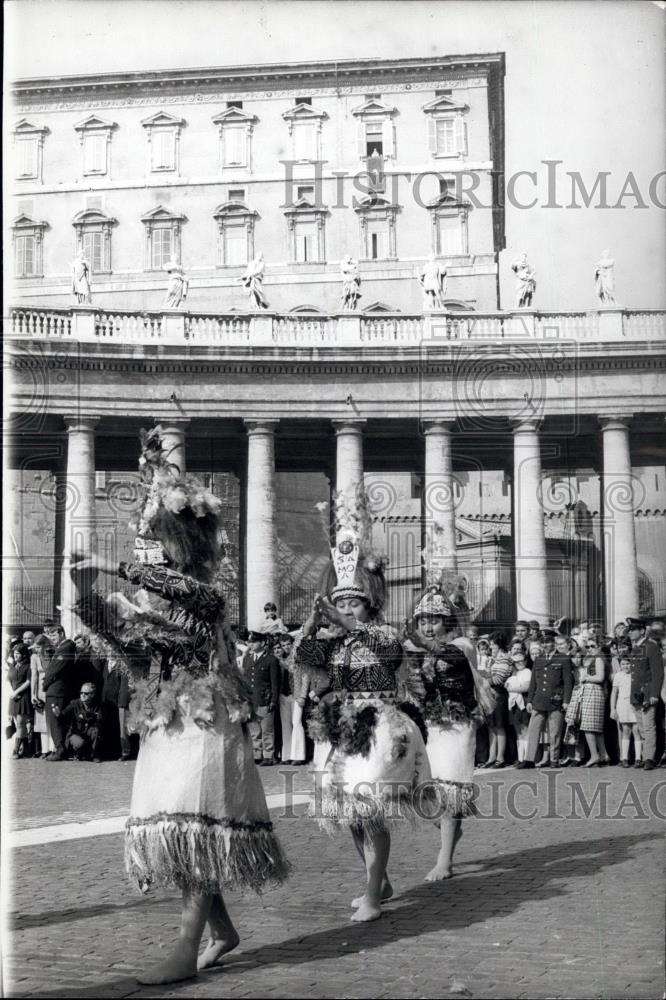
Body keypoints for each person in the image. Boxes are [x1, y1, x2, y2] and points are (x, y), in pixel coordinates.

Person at [69, 425, 289, 984]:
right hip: (166, 722)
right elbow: (127, 643)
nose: (153, 551)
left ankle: (185, 950)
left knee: (194, 826)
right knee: (179, 825)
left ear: (181, 547)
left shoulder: (206, 594)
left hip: (203, 723)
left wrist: (117, 567)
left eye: (159, 541)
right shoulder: (155, 600)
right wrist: (83, 595)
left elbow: (181, 600)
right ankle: (220, 931)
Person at [295, 497, 430, 923]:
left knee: (371, 811)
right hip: (343, 731)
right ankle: (379, 879)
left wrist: (347, 622)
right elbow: (303, 658)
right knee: (350, 814)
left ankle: (373, 892)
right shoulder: (335, 640)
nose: (347, 609)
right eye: (341, 603)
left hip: (381, 729)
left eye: (353, 603)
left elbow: (389, 654)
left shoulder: (384, 632)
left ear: (368, 605)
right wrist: (314, 625)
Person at [402, 586, 479, 881]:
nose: (427, 626)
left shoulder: (463, 643)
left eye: (433, 620)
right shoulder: (417, 650)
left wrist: (414, 642)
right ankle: (450, 834)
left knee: (448, 789)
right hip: (428, 724)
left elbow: (450, 654)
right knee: (422, 794)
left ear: (446, 622)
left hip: (457, 725)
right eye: (422, 620)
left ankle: (444, 859)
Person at [518, 630, 572, 769]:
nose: (546, 645)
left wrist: (566, 701)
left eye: (549, 642)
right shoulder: (539, 659)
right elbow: (533, 683)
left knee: (555, 732)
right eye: (544, 643)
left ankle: (554, 760)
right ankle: (529, 759)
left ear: (554, 643)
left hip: (556, 700)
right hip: (539, 700)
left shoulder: (563, 659)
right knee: (533, 730)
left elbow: (567, 682)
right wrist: (529, 700)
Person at [626, 616, 664, 771]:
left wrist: (654, 694)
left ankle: (650, 757)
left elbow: (657, 673)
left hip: (647, 692)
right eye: (629, 630)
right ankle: (644, 755)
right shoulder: (636, 647)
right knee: (642, 727)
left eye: (633, 630)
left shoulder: (651, 646)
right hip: (636, 693)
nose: (630, 633)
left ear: (642, 631)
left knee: (649, 727)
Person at [243, 624, 280, 765]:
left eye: (253, 642)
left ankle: (268, 756)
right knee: (254, 731)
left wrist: (273, 700)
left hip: (265, 699)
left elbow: (275, 682)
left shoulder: (271, 660)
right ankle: (256, 754)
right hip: (252, 700)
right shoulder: (247, 659)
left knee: (267, 730)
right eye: (249, 642)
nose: (250, 644)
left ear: (262, 643)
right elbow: (246, 680)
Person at [42, 623, 77, 762]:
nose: (52, 638)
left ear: (62, 633)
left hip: (57, 690)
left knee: (55, 721)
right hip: (57, 689)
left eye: (54, 635)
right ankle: (61, 749)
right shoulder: (63, 647)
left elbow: (53, 669)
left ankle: (60, 750)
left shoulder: (66, 647)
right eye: (50, 636)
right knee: (56, 721)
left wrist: (45, 683)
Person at [480, 631, 512, 768]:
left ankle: (500, 757)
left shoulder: (505, 658)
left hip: (498, 694)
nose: (491, 646)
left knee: (499, 726)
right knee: (491, 726)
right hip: (489, 693)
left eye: (493, 644)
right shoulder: (494, 659)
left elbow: (499, 679)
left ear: (499, 645)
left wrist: (483, 679)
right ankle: (491, 757)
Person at [579, 637, 609, 766]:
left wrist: (586, 677)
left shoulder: (598, 658)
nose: (590, 649)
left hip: (594, 691)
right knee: (596, 727)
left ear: (599, 646)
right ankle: (603, 755)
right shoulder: (599, 657)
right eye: (588, 647)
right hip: (597, 692)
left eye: (593, 646)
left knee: (588, 726)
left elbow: (600, 677)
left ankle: (594, 755)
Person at [57, 682, 103, 761]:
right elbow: (63, 715)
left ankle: (93, 755)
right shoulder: (74, 703)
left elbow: (100, 719)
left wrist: (90, 716)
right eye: (81, 692)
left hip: (88, 732)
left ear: (92, 695)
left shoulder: (97, 705)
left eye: (86, 693)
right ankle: (77, 753)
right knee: (80, 743)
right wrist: (58, 714)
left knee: (96, 730)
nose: (82, 695)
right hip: (75, 733)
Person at [611, 655, 642, 768]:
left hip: (634, 705)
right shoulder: (618, 676)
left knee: (636, 730)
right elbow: (614, 693)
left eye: (628, 663)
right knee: (625, 730)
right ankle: (625, 758)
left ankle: (638, 758)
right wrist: (612, 708)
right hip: (622, 704)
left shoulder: (635, 674)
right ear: (620, 665)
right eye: (623, 664)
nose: (626, 666)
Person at [505, 640, 532, 763]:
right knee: (518, 731)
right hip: (514, 704)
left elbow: (525, 687)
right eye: (516, 662)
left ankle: (527, 758)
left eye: (521, 661)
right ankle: (520, 758)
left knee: (525, 730)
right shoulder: (514, 673)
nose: (519, 663)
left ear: (525, 661)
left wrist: (512, 687)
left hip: (523, 703)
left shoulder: (527, 671)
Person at [7, 643, 33, 759]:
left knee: (21, 724)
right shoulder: (12, 666)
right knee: (18, 725)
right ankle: (26, 750)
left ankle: (16, 750)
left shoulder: (28, 666)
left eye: (18, 654)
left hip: (23, 697)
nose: (16, 656)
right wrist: (12, 693)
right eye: (15, 653)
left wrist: (16, 692)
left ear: (24, 655)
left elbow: (28, 682)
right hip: (13, 697)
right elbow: (9, 681)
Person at [30, 634, 54, 758]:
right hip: (40, 691)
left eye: (39, 647)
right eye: (36, 647)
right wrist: (32, 694)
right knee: (41, 722)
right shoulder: (34, 657)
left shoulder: (52, 655)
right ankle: (44, 750)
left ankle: (53, 748)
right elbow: (34, 676)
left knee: (52, 720)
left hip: (51, 690)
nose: (37, 649)